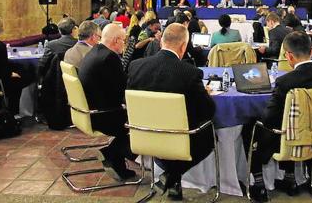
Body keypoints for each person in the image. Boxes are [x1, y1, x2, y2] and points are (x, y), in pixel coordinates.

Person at [127, 24, 215, 200]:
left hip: (143, 133)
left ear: (161, 42)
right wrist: (204, 93)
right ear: (183, 46)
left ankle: (171, 176)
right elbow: (208, 111)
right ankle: (173, 174)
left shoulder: (136, 66)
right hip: (179, 137)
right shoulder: (190, 73)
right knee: (208, 137)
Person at [248, 32, 312, 201]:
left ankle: (258, 183)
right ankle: (291, 178)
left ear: (288, 56)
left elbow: (269, 119)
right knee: (290, 123)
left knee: (252, 126)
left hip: (290, 137)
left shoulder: (285, 82)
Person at [78, 24, 135, 181]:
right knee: (143, 121)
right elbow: (123, 90)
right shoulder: (109, 58)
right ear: (116, 40)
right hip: (103, 115)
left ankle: (114, 155)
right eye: (124, 40)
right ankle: (112, 152)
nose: (124, 44)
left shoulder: (93, 52)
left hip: (89, 111)